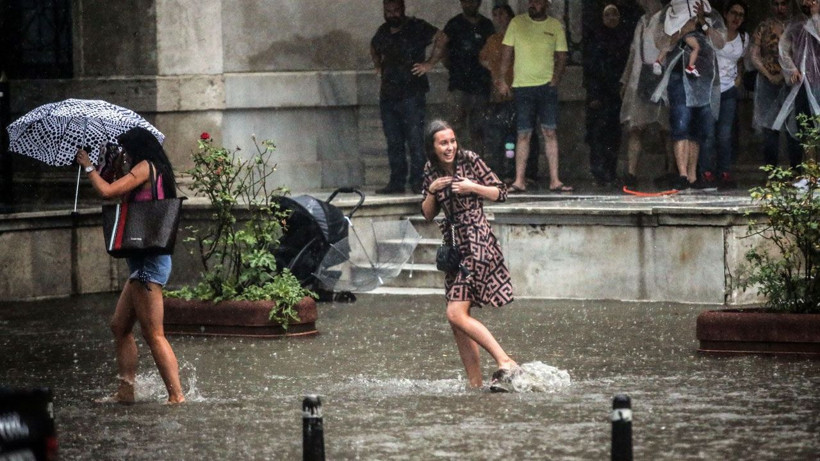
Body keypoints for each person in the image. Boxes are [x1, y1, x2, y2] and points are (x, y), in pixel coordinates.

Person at [75, 127, 185, 404]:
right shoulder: (147, 169)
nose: (123, 155)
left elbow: (107, 192)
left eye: (125, 150)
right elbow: (119, 190)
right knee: (119, 326)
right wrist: (109, 168)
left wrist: (88, 166)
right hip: (143, 262)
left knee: (154, 334)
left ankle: (176, 396)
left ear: (137, 148)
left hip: (148, 262)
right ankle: (125, 391)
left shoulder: (145, 168)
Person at [420, 119, 518, 392]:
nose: (449, 147)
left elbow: (501, 192)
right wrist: (431, 191)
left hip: (477, 239)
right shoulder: (430, 170)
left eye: (452, 141)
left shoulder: (470, 160)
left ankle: (505, 360)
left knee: (455, 312)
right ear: (433, 147)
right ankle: (475, 385)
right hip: (454, 243)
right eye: (443, 143)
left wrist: (472, 187)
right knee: (458, 322)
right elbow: (427, 214)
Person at [497, 0, 573, 193]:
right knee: (523, 134)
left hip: (546, 87)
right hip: (522, 86)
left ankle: (555, 180)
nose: (533, 5)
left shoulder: (554, 25)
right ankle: (519, 180)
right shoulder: (517, 23)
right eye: (531, 1)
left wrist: (556, 79)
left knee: (550, 132)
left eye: (538, 2)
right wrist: (502, 79)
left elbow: (562, 56)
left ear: (546, 4)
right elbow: (507, 52)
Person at [371, 0, 445, 194]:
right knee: (393, 141)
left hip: (412, 93)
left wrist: (429, 63)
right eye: (388, 11)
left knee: (415, 140)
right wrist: (378, 66)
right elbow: (374, 47)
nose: (392, 14)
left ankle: (418, 181)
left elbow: (442, 37)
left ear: (402, 9)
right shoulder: (383, 31)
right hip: (388, 94)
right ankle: (396, 181)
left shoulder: (416, 26)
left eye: (395, 10)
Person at [652, 0, 726, 190]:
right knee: (681, 122)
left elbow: (720, 42)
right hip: (678, 75)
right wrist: (682, 32)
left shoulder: (709, 13)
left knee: (697, 126)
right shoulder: (667, 13)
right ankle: (682, 174)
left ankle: (693, 176)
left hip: (702, 77)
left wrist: (702, 21)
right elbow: (660, 42)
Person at [426, 0, 495, 155]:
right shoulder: (454, 24)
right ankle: (457, 166)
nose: (469, 4)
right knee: (454, 128)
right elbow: (442, 49)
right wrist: (452, 67)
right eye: (466, 1)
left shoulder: (486, 25)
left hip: (481, 85)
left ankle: (477, 165)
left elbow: (494, 51)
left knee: (478, 129)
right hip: (458, 84)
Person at [619, 0, 674, 189]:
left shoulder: (666, 20)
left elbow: (670, 47)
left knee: (666, 129)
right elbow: (633, 52)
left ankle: (670, 171)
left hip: (662, 81)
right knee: (635, 127)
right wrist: (625, 80)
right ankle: (631, 174)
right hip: (639, 80)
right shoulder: (641, 21)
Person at [699, 0, 749, 189]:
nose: (737, 18)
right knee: (708, 133)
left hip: (729, 89)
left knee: (725, 135)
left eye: (741, 15)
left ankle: (724, 172)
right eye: (734, 13)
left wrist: (737, 81)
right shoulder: (715, 31)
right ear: (726, 14)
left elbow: (741, 62)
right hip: (710, 88)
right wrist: (702, 19)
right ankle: (706, 171)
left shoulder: (743, 38)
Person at [583, 4, 633, 187]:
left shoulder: (623, 38)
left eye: (615, 14)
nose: (612, 18)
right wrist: (594, 94)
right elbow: (591, 69)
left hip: (616, 95)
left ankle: (610, 173)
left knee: (614, 135)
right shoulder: (595, 38)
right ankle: (599, 173)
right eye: (608, 15)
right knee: (597, 135)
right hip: (599, 94)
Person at [751, 0, 801, 169]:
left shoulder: (797, 25)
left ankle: (797, 171)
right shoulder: (764, 26)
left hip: (792, 82)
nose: (780, 8)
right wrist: (768, 74)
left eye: (784, 4)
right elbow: (754, 54)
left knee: (794, 129)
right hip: (768, 81)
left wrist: (785, 73)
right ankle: (771, 172)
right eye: (776, 4)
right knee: (769, 129)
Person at [773, 0, 820, 167]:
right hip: (802, 84)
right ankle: (801, 169)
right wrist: (792, 69)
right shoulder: (797, 22)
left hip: (818, 83)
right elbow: (783, 48)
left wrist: (816, 16)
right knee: (803, 126)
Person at [479, 3, 516, 180]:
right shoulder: (492, 40)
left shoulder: (517, 37)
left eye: (502, 14)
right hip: (497, 95)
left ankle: (513, 171)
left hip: (514, 92)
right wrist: (495, 73)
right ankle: (499, 171)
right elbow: (483, 59)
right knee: (497, 137)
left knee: (513, 138)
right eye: (495, 15)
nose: (498, 18)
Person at [653, 0, 714, 78]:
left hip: (690, 29)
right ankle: (658, 61)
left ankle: (690, 67)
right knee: (671, 41)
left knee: (696, 47)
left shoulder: (701, 9)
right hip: (679, 25)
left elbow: (707, 10)